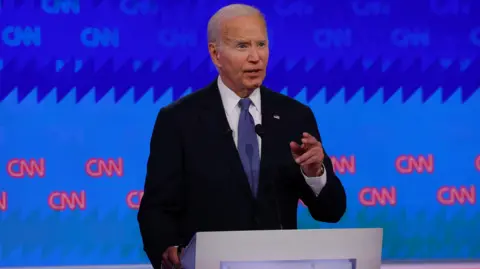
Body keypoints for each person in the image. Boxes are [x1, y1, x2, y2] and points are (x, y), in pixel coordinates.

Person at [137, 4, 347, 269]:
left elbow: (332, 211)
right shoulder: (178, 120)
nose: (256, 57)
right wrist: (168, 250)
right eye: (242, 46)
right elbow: (156, 209)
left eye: (261, 44)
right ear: (215, 54)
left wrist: (315, 174)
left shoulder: (295, 116)